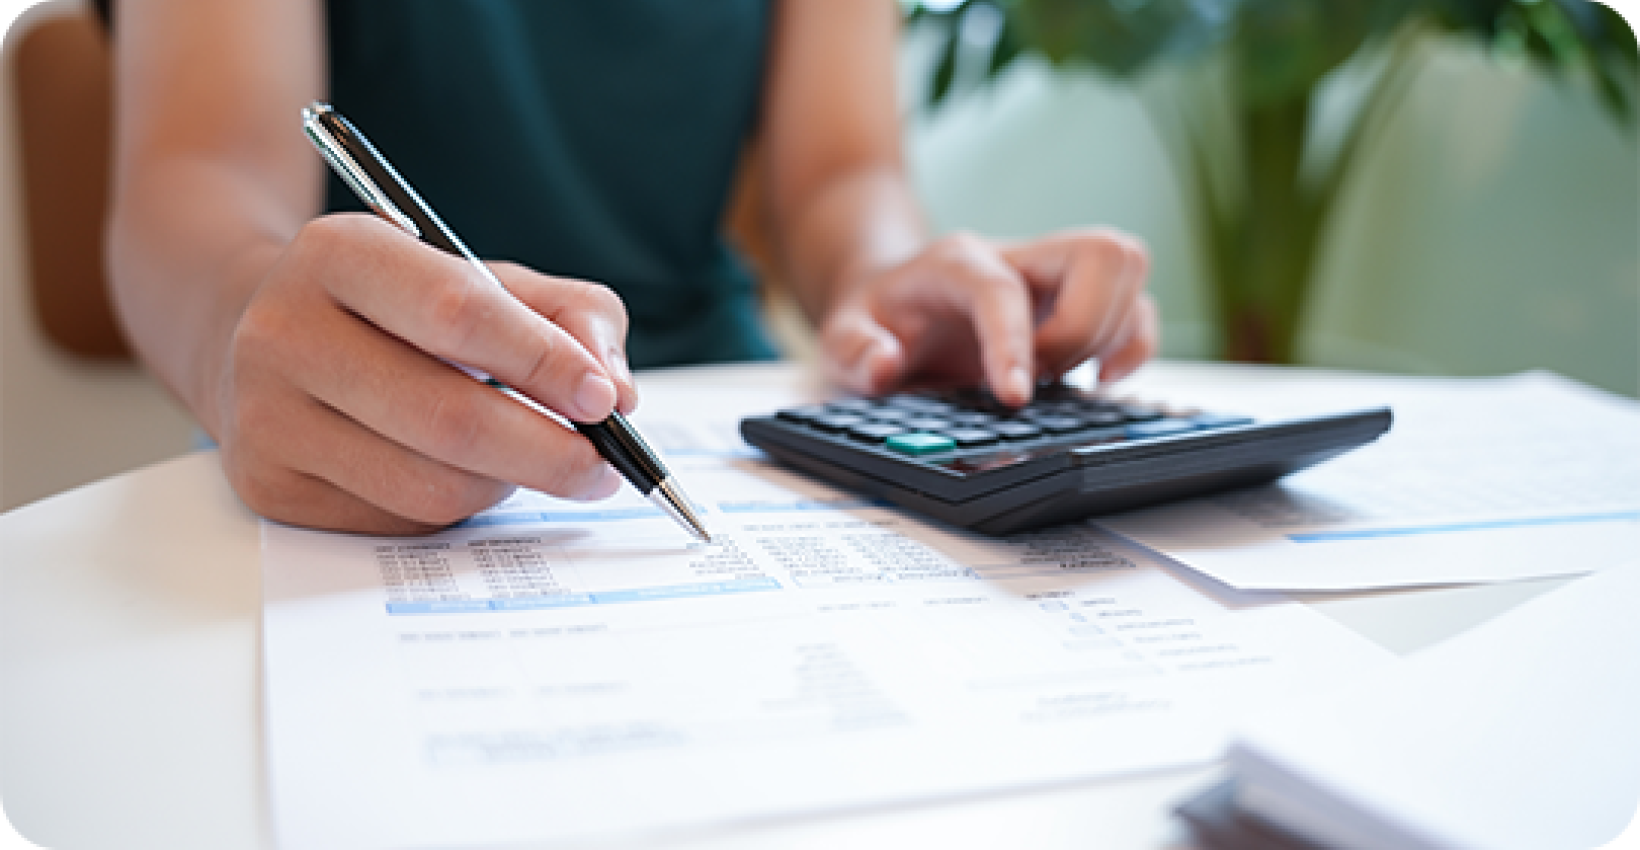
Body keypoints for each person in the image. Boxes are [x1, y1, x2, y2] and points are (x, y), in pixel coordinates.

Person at [104, 0, 1158, 535]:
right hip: (357, 417)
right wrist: (237, 340)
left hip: (714, 401)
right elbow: (197, 175)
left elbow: (838, 169)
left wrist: (889, 281)